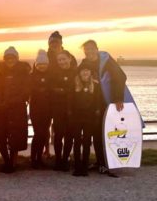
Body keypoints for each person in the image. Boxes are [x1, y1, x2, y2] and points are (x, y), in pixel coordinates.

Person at [80, 39, 134, 178]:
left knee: (106, 134)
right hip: (91, 104)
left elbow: (121, 76)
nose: (89, 52)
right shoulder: (85, 63)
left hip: (106, 102)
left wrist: (118, 98)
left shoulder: (107, 61)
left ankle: (107, 164)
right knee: (97, 134)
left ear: (97, 48)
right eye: (87, 50)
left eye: (92, 49)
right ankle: (100, 162)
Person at [0, 47, 31, 173]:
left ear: (17, 58)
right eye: (7, 57)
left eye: (12, 57)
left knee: (15, 137)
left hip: (17, 108)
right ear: (4, 59)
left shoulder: (24, 71)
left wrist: (10, 102)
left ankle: (12, 163)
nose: (10, 60)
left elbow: (26, 91)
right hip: (0, 108)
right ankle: (6, 161)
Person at [71, 63, 103, 176]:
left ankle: (84, 167)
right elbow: (70, 101)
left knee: (86, 142)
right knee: (77, 143)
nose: (85, 72)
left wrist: (97, 114)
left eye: (87, 70)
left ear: (90, 72)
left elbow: (98, 102)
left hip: (89, 118)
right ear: (79, 73)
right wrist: (70, 113)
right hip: (76, 117)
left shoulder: (96, 85)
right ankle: (77, 167)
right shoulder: (74, 84)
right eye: (83, 70)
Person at [51, 50, 76, 171]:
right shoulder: (55, 73)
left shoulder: (76, 72)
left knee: (69, 136)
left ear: (70, 58)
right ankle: (58, 160)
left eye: (64, 59)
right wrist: (63, 91)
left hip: (72, 110)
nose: (62, 62)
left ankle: (66, 159)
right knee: (58, 136)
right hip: (58, 109)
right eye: (59, 60)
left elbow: (76, 90)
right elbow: (52, 89)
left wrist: (63, 90)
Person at [28, 49, 52, 169]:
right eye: (40, 64)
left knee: (44, 135)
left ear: (47, 65)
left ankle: (39, 158)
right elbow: (28, 93)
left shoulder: (50, 76)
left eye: (44, 64)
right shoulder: (31, 76)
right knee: (38, 134)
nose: (42, 66)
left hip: (47, 110)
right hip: (35, 110)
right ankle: (33, 158)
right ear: (36, 65)